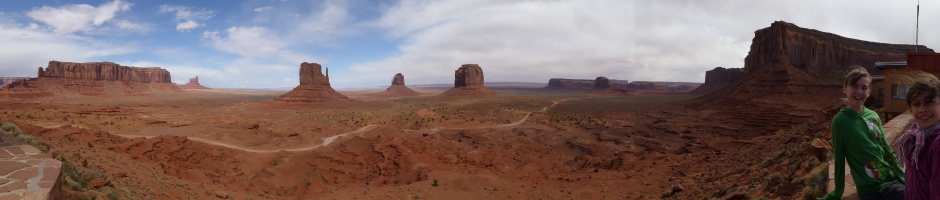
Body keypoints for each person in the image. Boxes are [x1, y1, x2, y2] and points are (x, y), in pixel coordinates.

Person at [824, 66, 905, 200]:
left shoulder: (873, 115)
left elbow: (885, 148)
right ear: (845, 88)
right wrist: (838, 191)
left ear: (869, 92)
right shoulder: (840, 122)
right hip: (873, 189)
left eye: (864, 87)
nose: (859, 91)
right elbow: (838, 158)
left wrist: (900, 174)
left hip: (889, 178)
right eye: (854, 86)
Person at [894, 71, 940, 199]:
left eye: (929, 102)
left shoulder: (937, 143)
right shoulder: (914, 136)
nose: (922, 109)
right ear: (911, 109)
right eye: (917, 104)